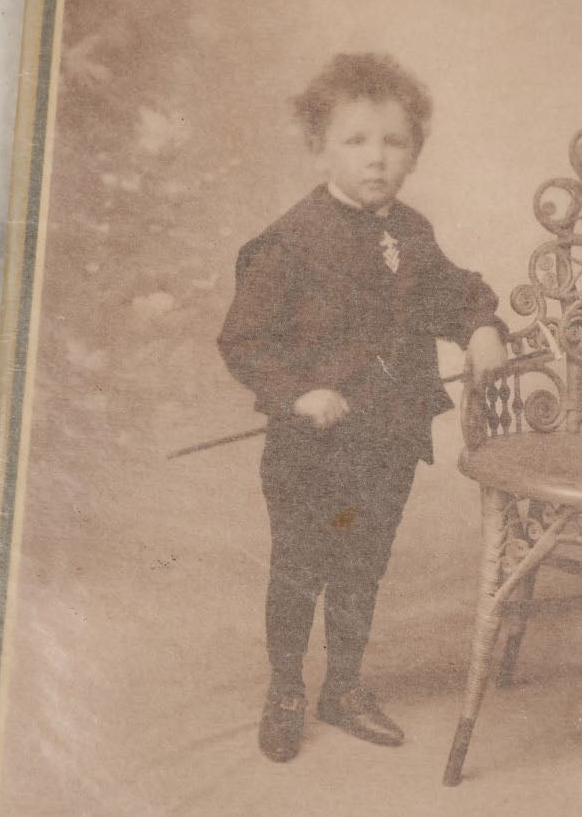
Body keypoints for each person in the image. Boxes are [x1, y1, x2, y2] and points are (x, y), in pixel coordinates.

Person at [218, 53, 508, 762]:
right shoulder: (289, 243)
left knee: (362, 565)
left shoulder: (409, 231)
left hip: (386, 438)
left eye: (394, 141)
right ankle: (287, 686)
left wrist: (481, 326)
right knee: (300, 565)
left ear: (414, 150)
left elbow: (452, 289)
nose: (376, 158)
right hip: (310, 449)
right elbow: (244, 340)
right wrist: (297, 393)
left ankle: (343, 685)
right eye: (356, 140)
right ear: (320, 147)